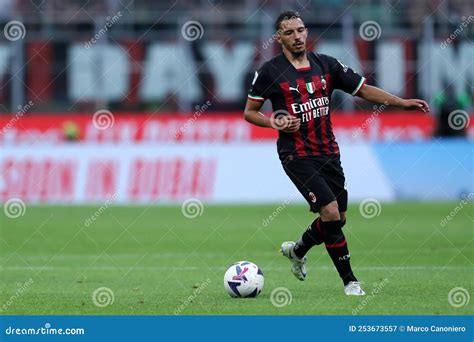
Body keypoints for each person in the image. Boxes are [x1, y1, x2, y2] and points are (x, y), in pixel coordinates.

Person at [244, 11, 429, 296]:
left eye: (301, 30)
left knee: (338, 218)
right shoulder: (270, 71)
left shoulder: (326, 65)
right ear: (278, 37)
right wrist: (274, 122)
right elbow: (250, 112)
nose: (297, 36)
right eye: (289, 32)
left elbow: (363, 91)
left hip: (328, 151)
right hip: (296, 154)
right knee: (329, 212)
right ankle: (350, 282)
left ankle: (298, 250)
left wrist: (400, 102)